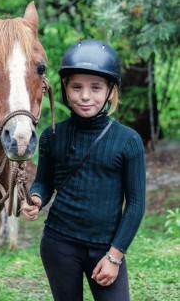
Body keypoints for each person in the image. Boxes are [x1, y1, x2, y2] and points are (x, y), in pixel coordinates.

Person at [22, 39, 146, 301]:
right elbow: (44, 182)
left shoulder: (128, 141)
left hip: (106, 247)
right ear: (66, 88)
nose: (86, 96)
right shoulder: (51, 136)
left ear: (111, 91)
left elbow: (135, 204)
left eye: (96, 87)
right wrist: (36, 198)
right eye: (77, 87)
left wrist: (115, 256)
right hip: (59, 243)